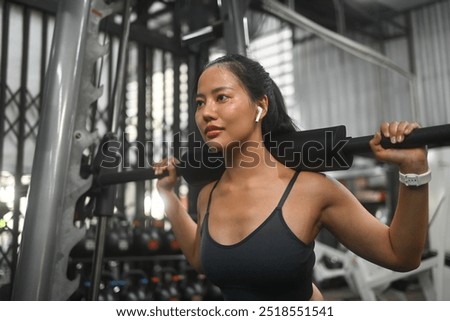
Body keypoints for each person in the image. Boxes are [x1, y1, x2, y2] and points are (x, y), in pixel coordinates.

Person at [153, 54, 429, 301]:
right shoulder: (208, 196)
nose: (206, 113)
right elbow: (200, 259)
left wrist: (413, 169)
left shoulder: (311, 190)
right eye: (200, 103)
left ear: (260, 106)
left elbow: (400, 255)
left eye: (221, 97)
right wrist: (168, 195)